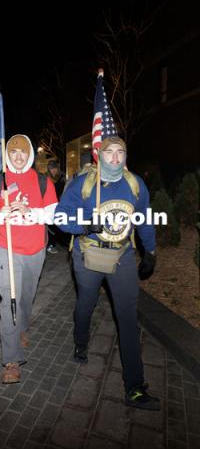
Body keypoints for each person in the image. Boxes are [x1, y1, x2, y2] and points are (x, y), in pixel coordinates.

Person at [55, 136, 159, 410]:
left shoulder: (135, 184)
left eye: (120, 152)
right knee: (85, 305)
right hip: (88, 254)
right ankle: (80, 342)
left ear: (126, 155)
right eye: (109, 152)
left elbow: (145, 218)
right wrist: (86, 225)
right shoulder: (84, 183)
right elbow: (60, 218)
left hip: (122, 256)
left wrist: (150, 251)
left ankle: (134, 386)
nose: (115, 157)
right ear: (99, 155)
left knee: (127, 317)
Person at [0, 134, 58, 384]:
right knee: (9, 299)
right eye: (14, 152)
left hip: (35, 250)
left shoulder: (43, 181)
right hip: (6, 249)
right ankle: (11, 360)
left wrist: (29, 211)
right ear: (7, 155)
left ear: (30, 154)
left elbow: (54, 215)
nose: (19, 156)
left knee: (25, 296)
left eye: (23, 151)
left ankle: (22, 325)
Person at [46, 160, 66, 254]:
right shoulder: (46, 178)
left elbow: (65, 190)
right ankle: (50, 245)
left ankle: (56, 242)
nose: (53, 171)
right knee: (51, 225)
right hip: (49, 204)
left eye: (54, 169)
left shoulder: (62, 177)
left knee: (57, 224)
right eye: (51, 169)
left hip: (60, 204)